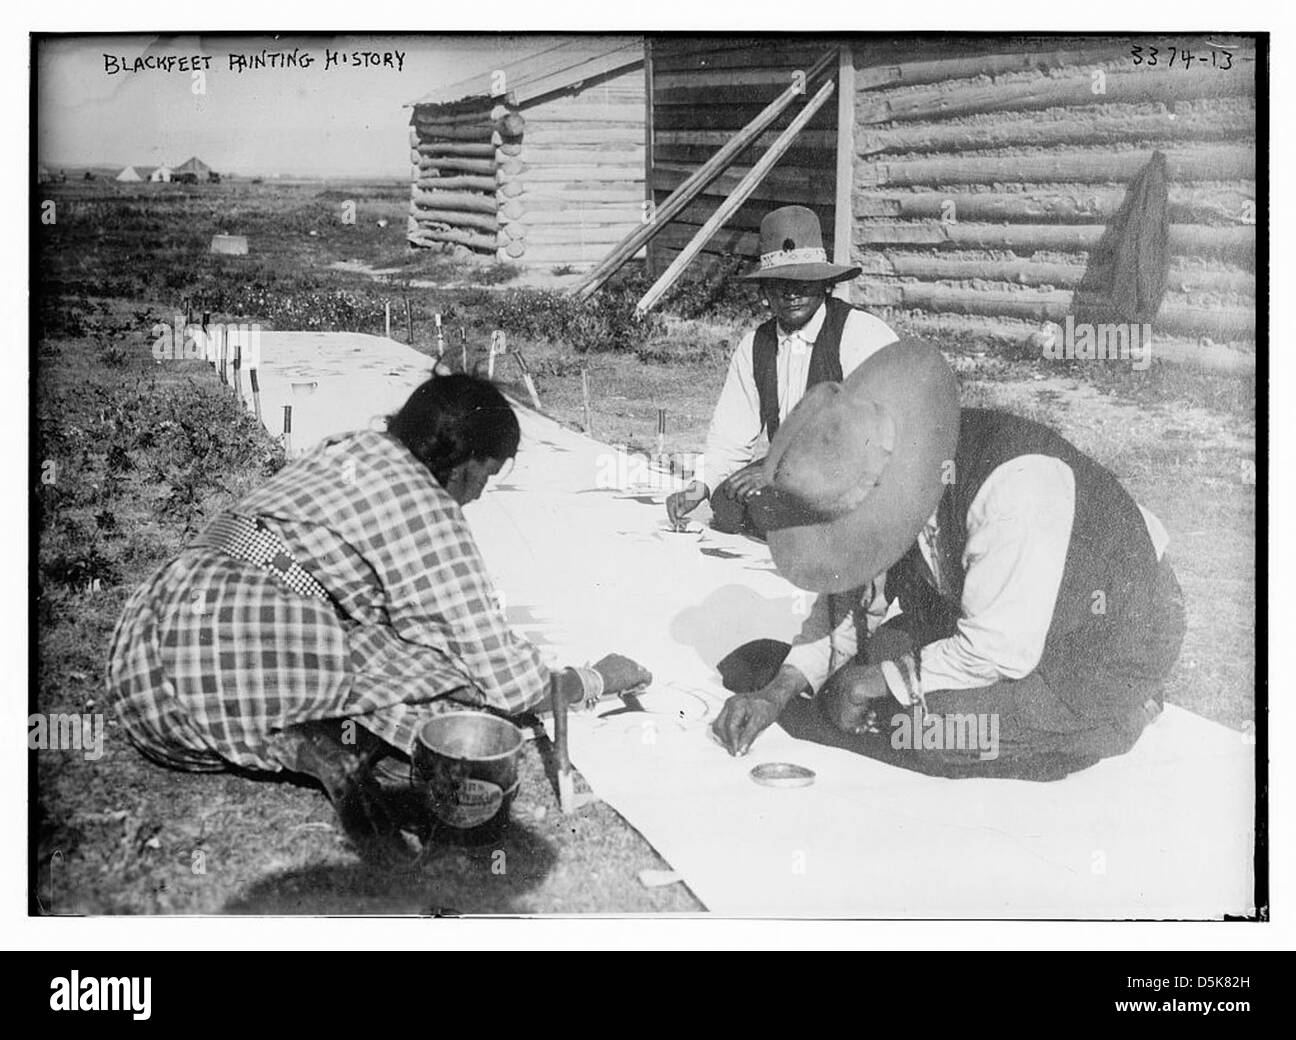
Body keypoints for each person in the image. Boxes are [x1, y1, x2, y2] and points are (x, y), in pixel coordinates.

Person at [107, 374, 651, 851]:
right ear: (461, 464)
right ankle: (334, 744)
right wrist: (594, 678)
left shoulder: (352, 448)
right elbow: (504, 676)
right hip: (238, 637)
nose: (480, 494)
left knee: (390, 641)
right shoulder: (423, 506)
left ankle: (311, 734)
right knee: (457, 681)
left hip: (147, 668)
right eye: (485, 476)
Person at [712, 338, 1185, 781]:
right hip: (1009, 609)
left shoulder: (1014, 487)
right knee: (875, 661)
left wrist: (875, 684)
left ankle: (1119, 715)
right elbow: (849, 604)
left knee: (935, 732)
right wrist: (778, 691)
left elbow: (998, 650)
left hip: (1108, 634)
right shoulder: (885, 470)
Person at [666, 205, 897, 536]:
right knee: (727, 502)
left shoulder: (859, 333)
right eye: (780, 284)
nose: (792, 293)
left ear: (826, 284)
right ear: (764, 293)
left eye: (804, 282)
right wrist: (697, 487)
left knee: (773, 508)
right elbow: (731, 436)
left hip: (856, 470)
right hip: (789, 473)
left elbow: (879, 432)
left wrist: (783, 473)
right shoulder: (756, 346)